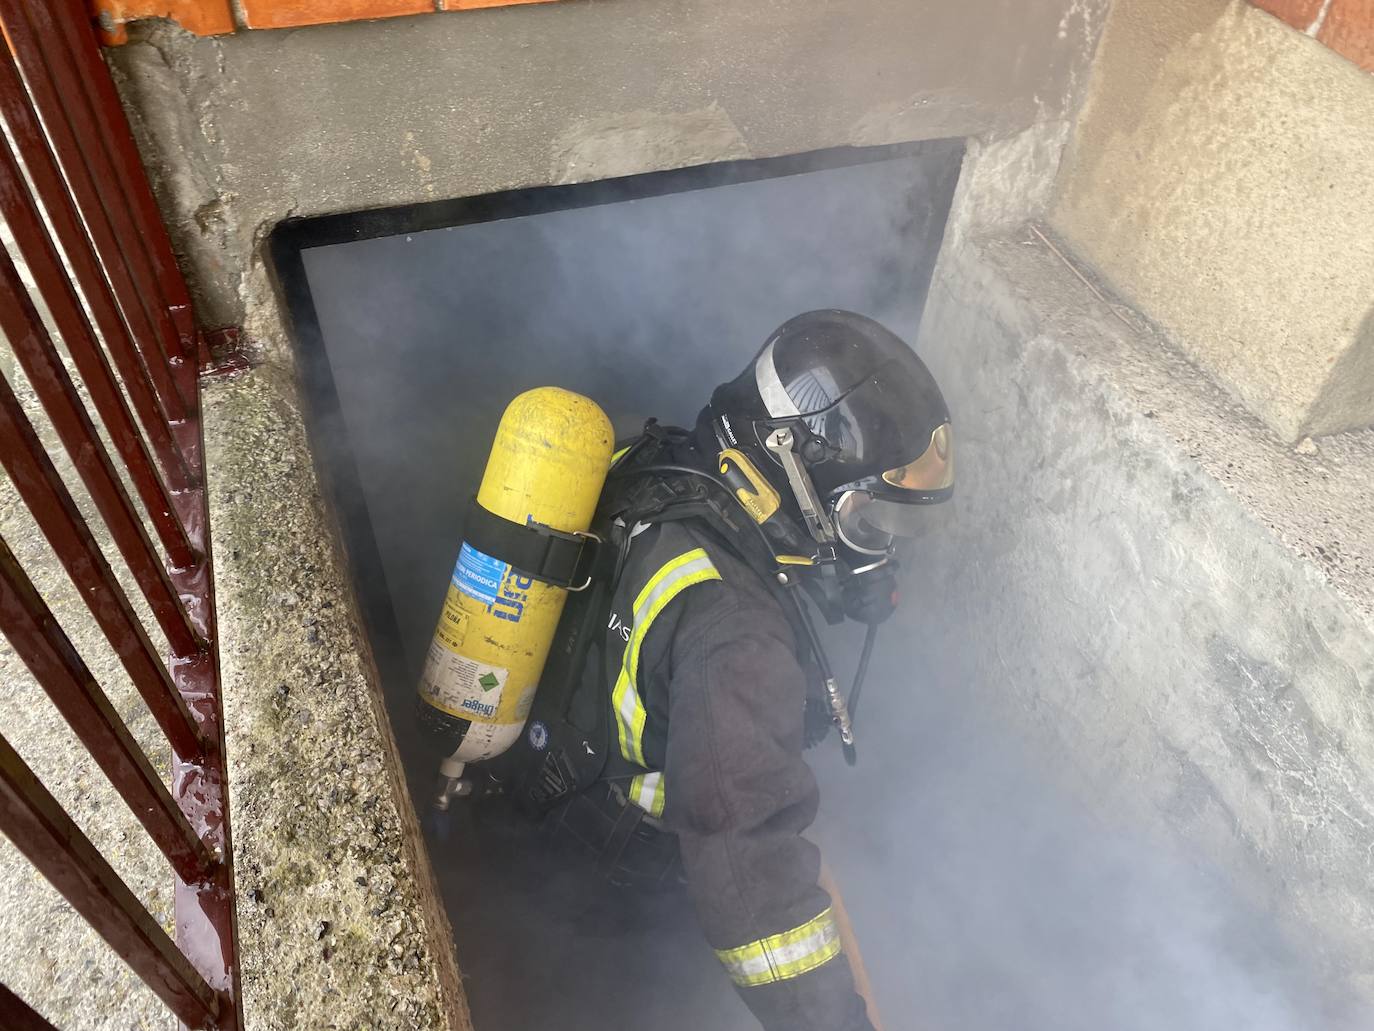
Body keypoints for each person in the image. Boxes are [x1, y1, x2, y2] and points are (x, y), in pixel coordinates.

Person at [484, 309, 955, 1031]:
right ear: (792, 465)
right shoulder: (738, 636)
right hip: (625, 879)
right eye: (869, 524)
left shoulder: (663, 467)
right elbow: (751, 886)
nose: (879, 558)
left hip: (539, 780)